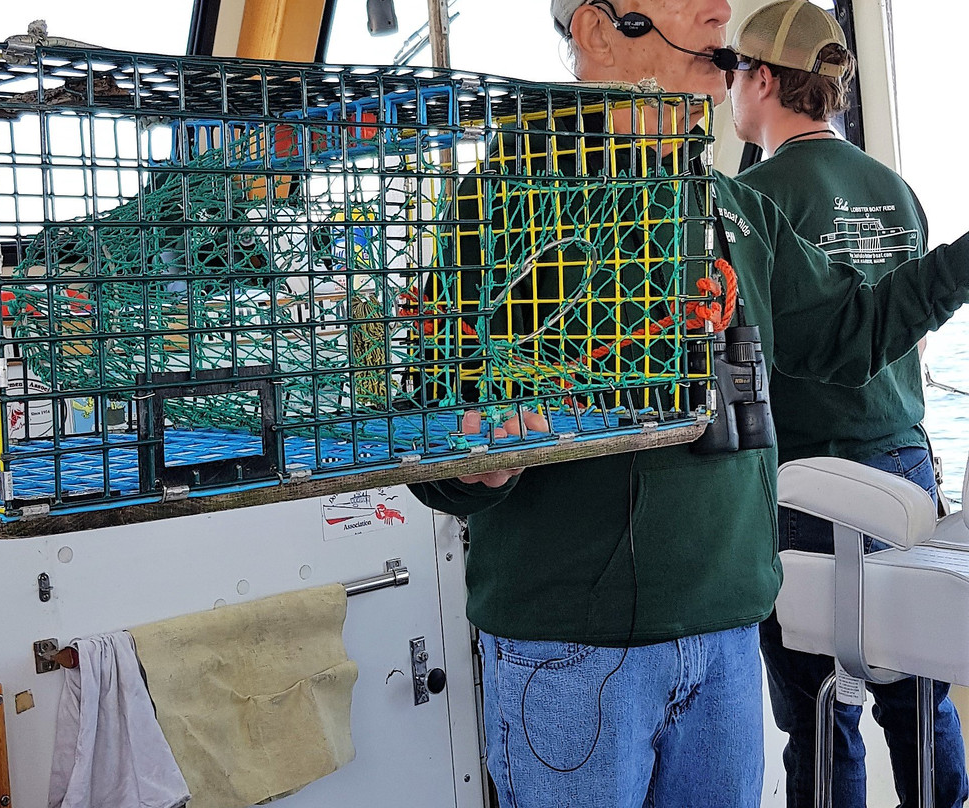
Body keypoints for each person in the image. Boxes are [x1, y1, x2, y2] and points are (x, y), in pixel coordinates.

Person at [408, 1, 969, 805]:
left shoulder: (733, 207)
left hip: (728, 636)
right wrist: (478, 469)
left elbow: (855, 328)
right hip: (572, 652)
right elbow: (434, 439)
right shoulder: (506, 199)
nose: (718, 10)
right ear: (599, 29)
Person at [727, 3, 968, 806]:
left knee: (816, 721)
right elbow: (912, 336)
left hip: (803, 482)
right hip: (902, 469)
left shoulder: (750, 201)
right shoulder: (895, 188)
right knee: (920, 700)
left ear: (760, 79)